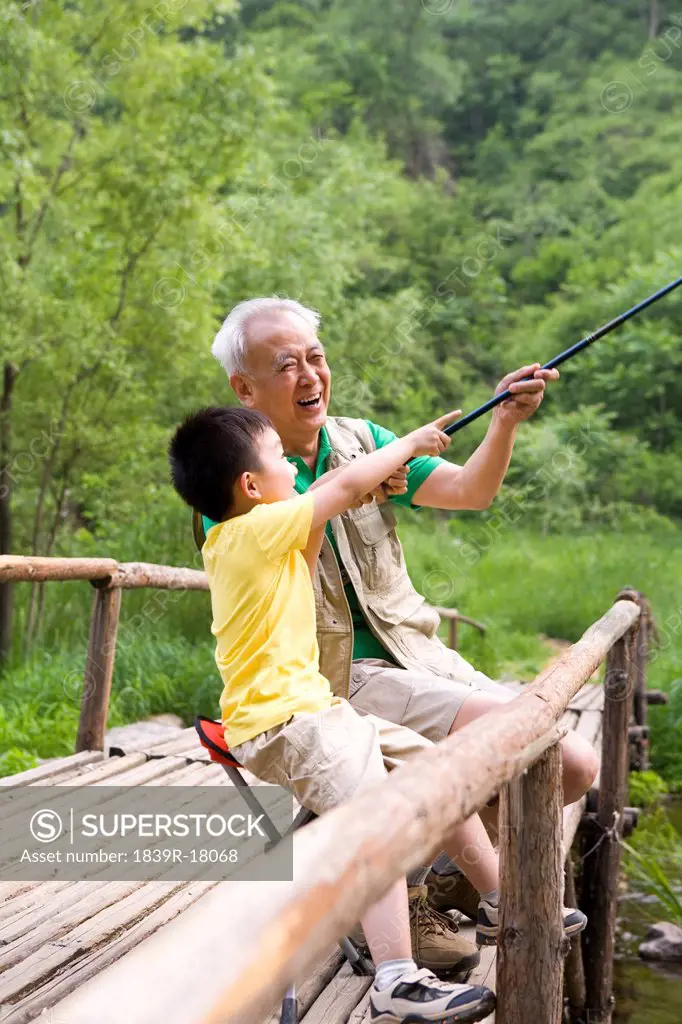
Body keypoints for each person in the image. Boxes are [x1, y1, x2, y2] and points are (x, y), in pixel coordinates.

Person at [203, 297, 599, 971]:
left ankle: (440, 880)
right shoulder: (237, 491)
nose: (310, 376)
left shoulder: (363, 440)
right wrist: (357, 482)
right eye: (287, 364)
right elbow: (298, 528)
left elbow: (470, 491)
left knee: (575, 765)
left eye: (317, 357)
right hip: (335, 683)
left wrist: (502, 422)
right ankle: (434, 899)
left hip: (416, 653)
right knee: (531, 750)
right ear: (245, 388)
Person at [169, 404, 499, 1023]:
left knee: (439, 769)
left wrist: (364, 483)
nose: (293, 466)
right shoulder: (246, 535)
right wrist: (410, 444)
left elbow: (328, 504)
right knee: (377, 816)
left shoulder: (265, 532)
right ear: (249, 486)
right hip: (282, 723)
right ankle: (397, 980)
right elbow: (337, 487)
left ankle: (501, 897)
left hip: (320, 710)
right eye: (278, 459)